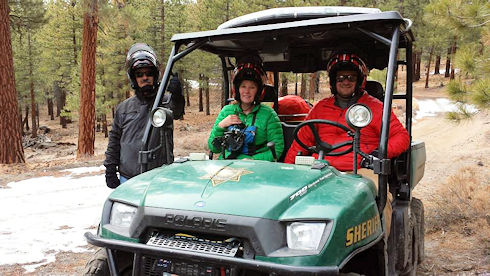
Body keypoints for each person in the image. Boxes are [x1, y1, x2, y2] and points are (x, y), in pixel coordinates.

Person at [284, 52, 410, 235]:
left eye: (351, 77)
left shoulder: (375, 107)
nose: (345, 81)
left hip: (360, 169)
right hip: (322, 168)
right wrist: (288, 171)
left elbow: (401, 137)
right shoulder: (320, 108)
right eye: (341, 77)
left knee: (380, 200)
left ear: (360, 81)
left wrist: (378, 153)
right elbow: (301, 141)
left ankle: (382, 247)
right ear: (333, 81)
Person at [104, 43, 184, 189]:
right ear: (133, 78)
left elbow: (177, 112)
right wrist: (110, 169)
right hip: (128, 178)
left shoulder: (165, 102)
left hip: (159, 177)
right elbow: (114, 141)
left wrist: (178, 96)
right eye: (139, 74)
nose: (144, 78)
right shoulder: (124, 108)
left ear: (155, 75)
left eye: (149, 73)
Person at [208, 61, 284, 161]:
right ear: (237, 89)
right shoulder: (227, 111)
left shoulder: (268, 114)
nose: (247, 91)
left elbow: (277, 149)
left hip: (256, 168)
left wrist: (254, 160)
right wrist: (221, 126)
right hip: (227, 166)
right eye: (243, 86)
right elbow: (214, 148)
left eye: (252, 87)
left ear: (258, 91)